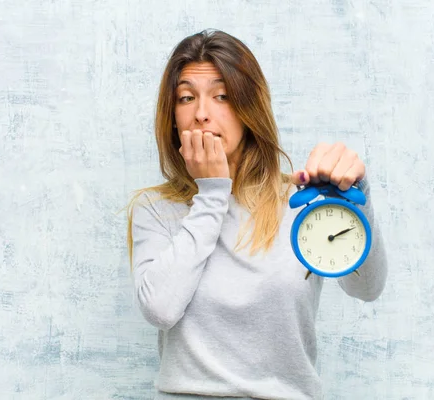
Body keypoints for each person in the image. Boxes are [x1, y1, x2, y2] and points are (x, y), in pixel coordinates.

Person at [126, 29, 387, 400]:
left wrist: (359, 198)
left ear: (249, 111)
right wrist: (213, 193)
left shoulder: (302, 201)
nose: (202, 114)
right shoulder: (155, 209)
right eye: (186, 98)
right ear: (172, 118)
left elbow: (367, 287)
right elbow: (160, 309)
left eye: (222, 96)